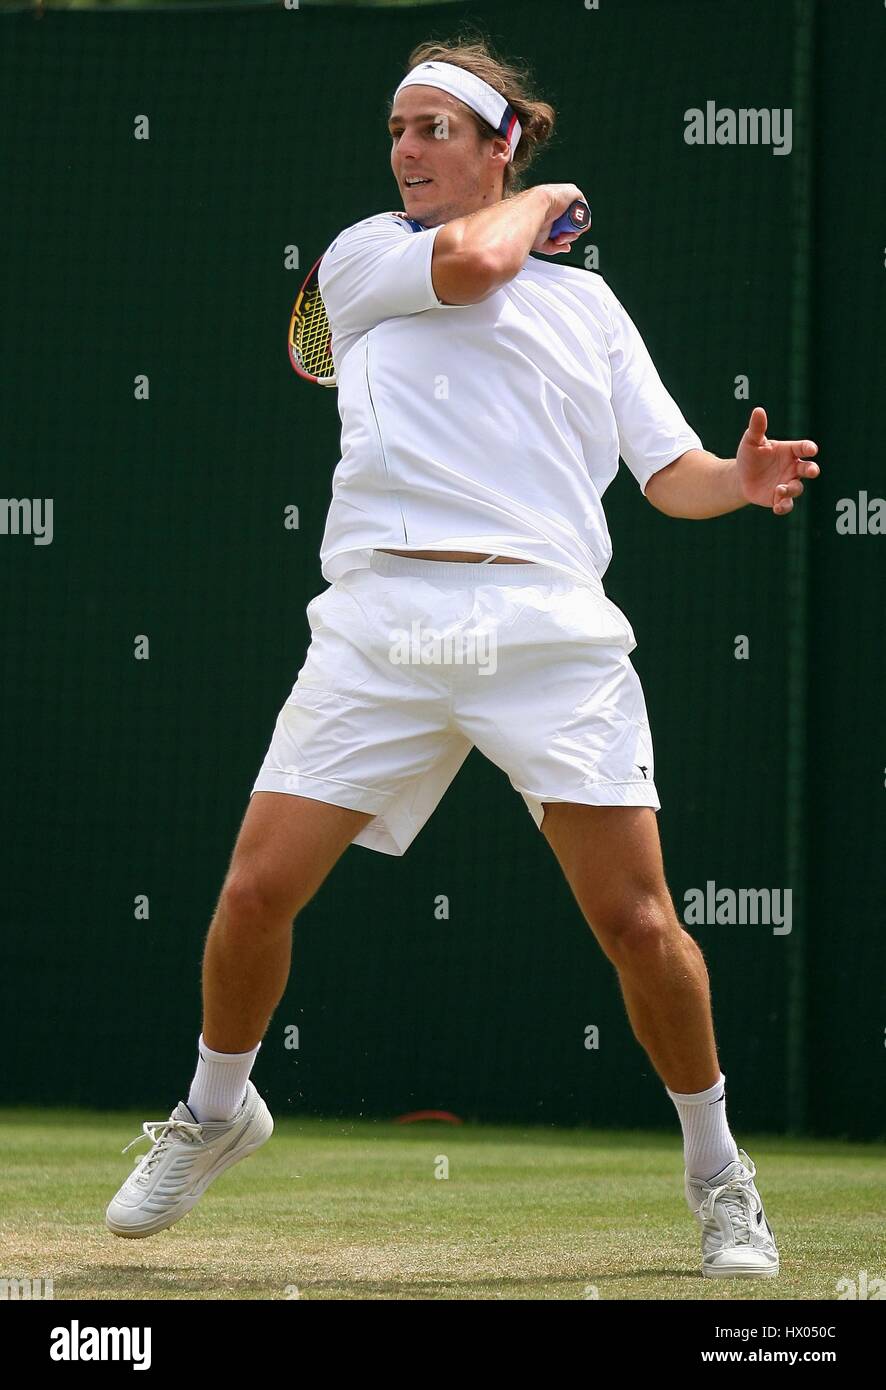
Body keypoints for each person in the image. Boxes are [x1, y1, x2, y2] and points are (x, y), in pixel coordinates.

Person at [106, 36, 819, 1279]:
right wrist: (548, 199)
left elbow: (668, 474)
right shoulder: (367, 254)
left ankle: (718, 1173)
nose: (405, 149)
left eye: (438, 128)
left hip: (546, 629)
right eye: (398, 127)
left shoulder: (589, 306)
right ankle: (219, 1109)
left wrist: (737, 480)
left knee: (640, 921)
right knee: (252, 894)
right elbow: (485, 259)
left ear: (498, 141)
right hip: (380, 622)